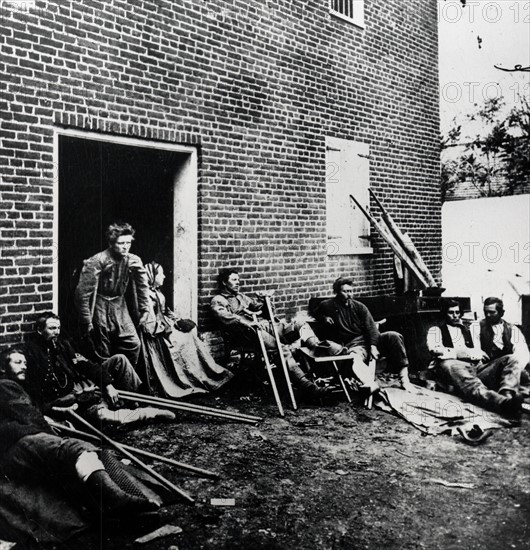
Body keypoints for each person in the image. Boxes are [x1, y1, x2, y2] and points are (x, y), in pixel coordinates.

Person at [0, 346, 159, 517]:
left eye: (24, 363)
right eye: (18, 362)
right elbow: (29, 415)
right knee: (75, 449)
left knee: (80, 450)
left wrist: (54, 412)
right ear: (2, 367)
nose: (24, 366)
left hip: (25, 439)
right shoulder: (5, 385)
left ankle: (112, 500)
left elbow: (35, 410)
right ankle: (116, 499)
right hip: (18, 442)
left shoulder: (17, 385)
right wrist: (52, 431)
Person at [24, 312, 174, 425]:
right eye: (51, 328)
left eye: (58, 328)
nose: (56, 332)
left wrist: (107, 384)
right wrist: (73, 398)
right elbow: (39, 391)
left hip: (81, 388)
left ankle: (134, 402)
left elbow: (85, 364)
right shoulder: (32, 354)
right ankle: (147, 413)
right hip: (68, 402)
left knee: (119, 360)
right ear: (39, 330)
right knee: (104, 416)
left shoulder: (63, 344)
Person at [210, 269, 332, 399]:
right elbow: (223, 315)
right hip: (247, 335)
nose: (238, 283)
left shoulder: (241, 297)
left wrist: (264, 301)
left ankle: (316, 348)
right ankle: (308, 387)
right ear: (224, 282)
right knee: (281, 349)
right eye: (234, 280)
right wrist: (247, 323)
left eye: (238, 280)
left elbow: (263, 311)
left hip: (265, 327)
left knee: (300, 325)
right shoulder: (218, 300)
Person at [140, 261, 234, 397]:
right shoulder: (145, 296)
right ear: (152, 276)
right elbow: (148, 323)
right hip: (156, 334)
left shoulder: (157, 292)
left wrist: (177, 320)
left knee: (190, 334)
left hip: (165, 326)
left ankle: (208, 375)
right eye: (161, 274)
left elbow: (166, 311)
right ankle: (190, 379)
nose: (164, 276)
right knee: (182, 342)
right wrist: (166, 329)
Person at [426, 298, 526, 417]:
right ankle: (501, 403)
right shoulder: (436, 330)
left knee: (511, 359)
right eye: (451, 313)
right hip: (452, 369)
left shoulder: (469, 329)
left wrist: (477, 353)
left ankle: (507, 395)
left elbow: (482, 347)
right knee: (453, 367)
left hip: (474, 368)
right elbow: (436, 350)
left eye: (457, 312)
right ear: (444, 314)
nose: (455, 316)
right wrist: (464, 353)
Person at [314, 277, 413, 393]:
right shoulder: (327, 305)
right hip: (354, 344)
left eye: (350, 291)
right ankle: (369, 383)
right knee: (355, 357)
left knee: (394, 336)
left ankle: (404, 379)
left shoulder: (359, 306)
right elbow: (315, 312)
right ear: (337, 292)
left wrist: (373, 345)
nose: (349, 295)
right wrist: (323, 318)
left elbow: (371, 327)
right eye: (345, 292)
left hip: (369, 339)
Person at [74, 222, 151, 366]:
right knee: (102, 348)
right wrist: (86, 320)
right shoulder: (97, 260)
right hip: (99, 304)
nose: (125, 246)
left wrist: (145, 310)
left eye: (128, 242)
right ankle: (107, 383)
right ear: (111, 243)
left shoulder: (133, 260)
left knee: (133, 344)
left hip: (119, 305)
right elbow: (82, 294)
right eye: (121, 243)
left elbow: (143, 286)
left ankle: (126, 379)